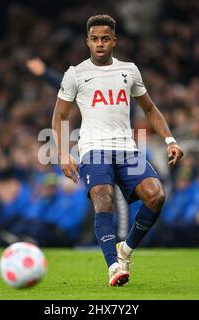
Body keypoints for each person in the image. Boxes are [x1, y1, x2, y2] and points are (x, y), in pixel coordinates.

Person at [52, 15, 184, 286]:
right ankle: (113, 265)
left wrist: (170, 139)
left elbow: (149, 108)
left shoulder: (129, 70)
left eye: (105, 39)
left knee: (156, 196)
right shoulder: (75, 73)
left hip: (126, 149)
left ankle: (126, 250)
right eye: (94, 39)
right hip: (93, 148)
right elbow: (59, 117)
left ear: (114, 41)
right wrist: (63, 153)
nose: (99, 44)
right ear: (87, 42)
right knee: (104, 197)